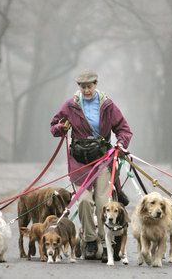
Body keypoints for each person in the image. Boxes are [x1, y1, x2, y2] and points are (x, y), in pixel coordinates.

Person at [50, 69, 132, 262]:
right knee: (85, 201)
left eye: (90, 86)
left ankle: (106, 244)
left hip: (103, 158)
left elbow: (124, 129)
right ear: (79, 86)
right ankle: (90, 241)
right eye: (83, 86)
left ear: (96, 84)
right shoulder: (70, 105)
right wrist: (61, 127)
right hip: (79, 161)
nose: (86, 90)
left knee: (103, 202)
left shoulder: (107, 105)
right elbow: (54, 126)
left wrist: (121, 143)